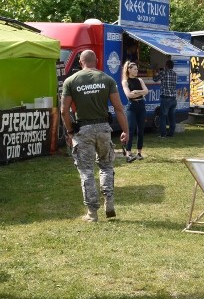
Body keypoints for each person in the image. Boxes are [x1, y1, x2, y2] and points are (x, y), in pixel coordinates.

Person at [61, 50, 129, 222]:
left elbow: (64, 111)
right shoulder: (107, 79)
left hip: (83, 130)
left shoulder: (71, 81)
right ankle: (110, 202)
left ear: (80, 61)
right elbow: (119, 108)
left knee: (87, 171)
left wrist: (70, 132)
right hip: (104, 129)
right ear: (96, 60)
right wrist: (125, 131)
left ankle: (92, 213)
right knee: (106, 166)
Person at [122, 60, 148, 161]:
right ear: (129, 70)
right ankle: (128, 153)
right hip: (131, 106)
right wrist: (141, 93)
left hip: (141, 105)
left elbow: (146, 91)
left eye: (137, 69)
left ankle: (139, 153)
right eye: (135, 69)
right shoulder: (125, 81)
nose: (137, 71)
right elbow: (128, 94)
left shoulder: (140, 80)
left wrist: (137, 91)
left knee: (141, 129)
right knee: (131, 129)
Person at [153, 59, 178, 138]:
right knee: (172, 117)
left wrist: (155, 72)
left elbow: (155, 79)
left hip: (165, 98)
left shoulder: (164, 73)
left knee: (163, 116)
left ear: (166, 66)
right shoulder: (175, 74)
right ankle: (171, 133)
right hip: (173, 98)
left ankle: (163, 134)